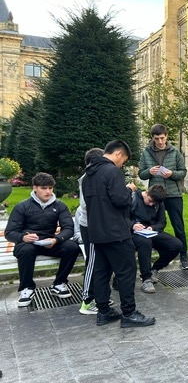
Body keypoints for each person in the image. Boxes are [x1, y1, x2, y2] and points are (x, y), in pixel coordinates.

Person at [83, 139, 156, 328]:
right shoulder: (112, 171)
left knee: (101, 272)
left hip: (96, 232)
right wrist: (129, 190)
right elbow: (120, 200)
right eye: (123, 160)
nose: (122, 164)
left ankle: (104, 311)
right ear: (118, 154)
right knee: (126, 272)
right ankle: (129, 314)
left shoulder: (88, 174)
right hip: (116, 232)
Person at [6, 172, 81, 308]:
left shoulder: (59, 206)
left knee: (72, 247)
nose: (48, 191)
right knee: (26, 250)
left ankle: (59, 283)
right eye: (44, 188)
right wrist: (23, 237)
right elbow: (10, 232)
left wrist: (56, 240)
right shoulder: (22, 206)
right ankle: (27, 288)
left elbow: (69, 228)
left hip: (49, 242)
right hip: (28, 243)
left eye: (50, 188)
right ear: (35, 188)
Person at [138, 124, 188, 269]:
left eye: (162, 138)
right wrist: (149, 171)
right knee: (155, 224)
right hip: (155, 195)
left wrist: (172, 174)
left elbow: (183, 172)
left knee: (178, 226)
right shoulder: (146, 152)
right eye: (157, 139)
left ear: (166, 136)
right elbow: (141, 173)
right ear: (152, 138)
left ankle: (184, 256)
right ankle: (161, 252)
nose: (160, 141)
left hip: (173, 194)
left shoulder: (174, 151)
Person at [131, 184, 183, 293]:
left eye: (154, 203)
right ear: (147, 193)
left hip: (150, 230)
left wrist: (153, 227)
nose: (151, 204)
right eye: (150, 200)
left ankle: (155, 269)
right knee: (145, 243)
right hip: (134, 231)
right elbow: (123, 217)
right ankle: (146, 278)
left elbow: (162, 222)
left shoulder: (159, 203)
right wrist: (133, 225)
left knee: (176, 245)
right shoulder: (134, 198)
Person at [74, 147, 105, 315]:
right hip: (90, 226)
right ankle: (86, 300)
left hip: (98, 225)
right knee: (92, 262)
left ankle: (98, 296)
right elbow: (86, 205)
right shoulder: (87, 178)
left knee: (99, 262)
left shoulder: (93, 176)